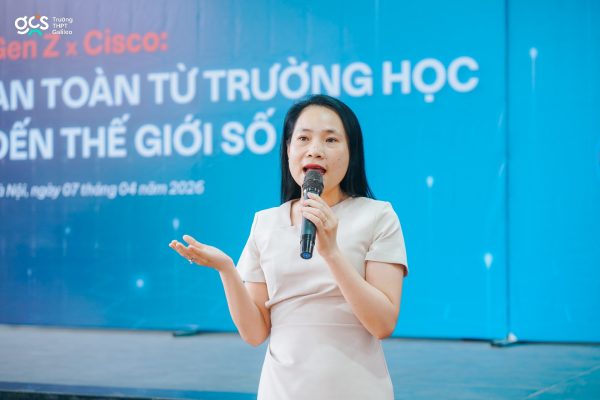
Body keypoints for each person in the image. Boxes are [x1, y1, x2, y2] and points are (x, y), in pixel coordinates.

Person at [169, 94, 408, 400]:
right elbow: (254, 333)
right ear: (288, 149)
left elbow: (383, 324)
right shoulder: (265, 223)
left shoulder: (377, 216)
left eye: (331, 140)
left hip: (358, 388)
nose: (315, 150)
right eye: (303, 138)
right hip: (281, 389)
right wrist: (226, 270)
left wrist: (331, 253)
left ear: (352, 151)